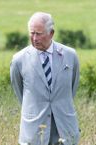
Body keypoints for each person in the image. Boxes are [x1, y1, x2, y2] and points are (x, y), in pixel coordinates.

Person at [10, 12, 80, 145]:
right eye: (32, 33)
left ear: (51, 33)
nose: (35, 38)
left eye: (39, 33)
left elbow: (72, 88)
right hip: (34, 132)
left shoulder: (70, 55)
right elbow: (20, 93)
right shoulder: (19, 60)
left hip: (64, 129)